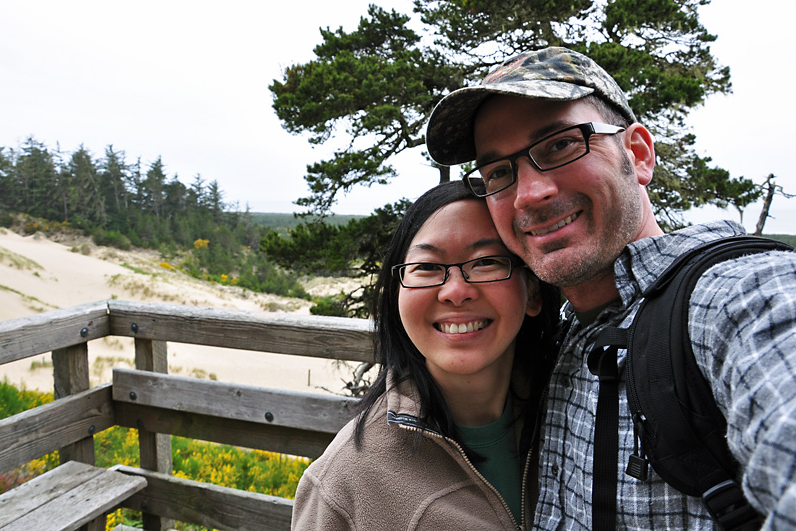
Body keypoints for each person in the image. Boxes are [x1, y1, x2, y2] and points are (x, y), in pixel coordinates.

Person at [425, 46, 796, 529]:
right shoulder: (555, 333)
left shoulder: (741, 297)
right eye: (499, 172)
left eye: (560, 145)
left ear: (638, 154)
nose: (530, 193)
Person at [291, 180, 560, 530]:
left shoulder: (577, 418)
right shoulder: (346, 482)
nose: (456, 291)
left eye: (487, 262)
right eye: (428, 267)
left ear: (534, 291)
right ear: (396, 298)